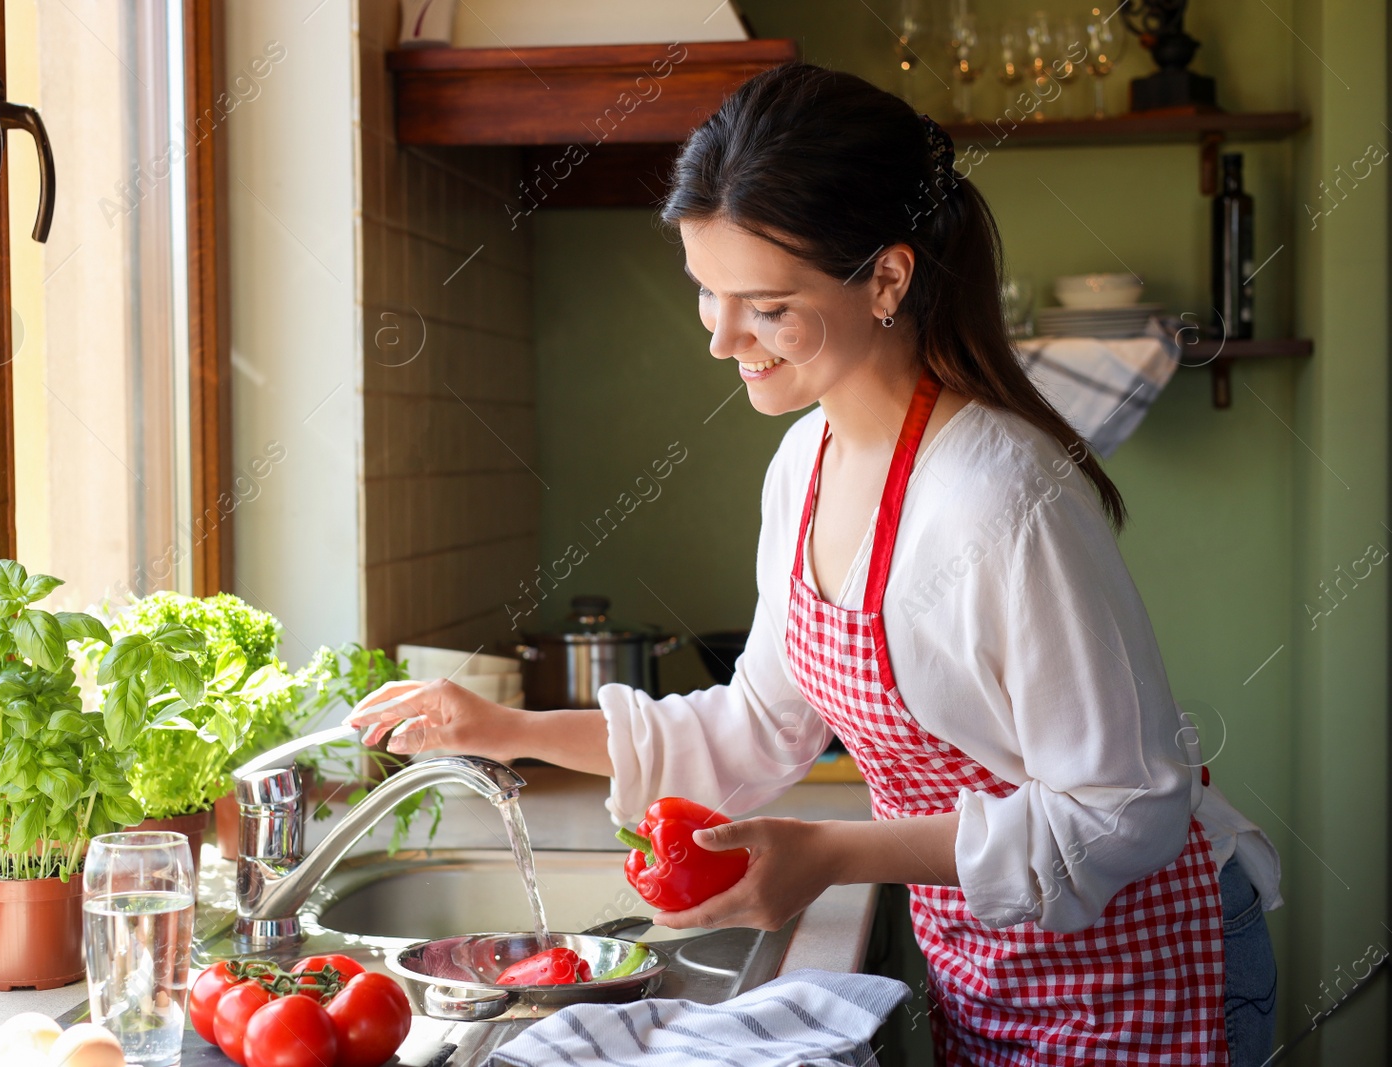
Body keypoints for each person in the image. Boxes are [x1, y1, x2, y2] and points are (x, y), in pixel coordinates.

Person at [350, 63, 1281, 1066]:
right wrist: (507, 729)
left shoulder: (999, 494)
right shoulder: (806, 460)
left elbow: (1124, 809)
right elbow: (758, 723)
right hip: (994, 966)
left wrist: (835, 850)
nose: (719, 338)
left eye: (764, 304)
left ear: (886, 277)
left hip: (1141, 973)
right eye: (705, 293)